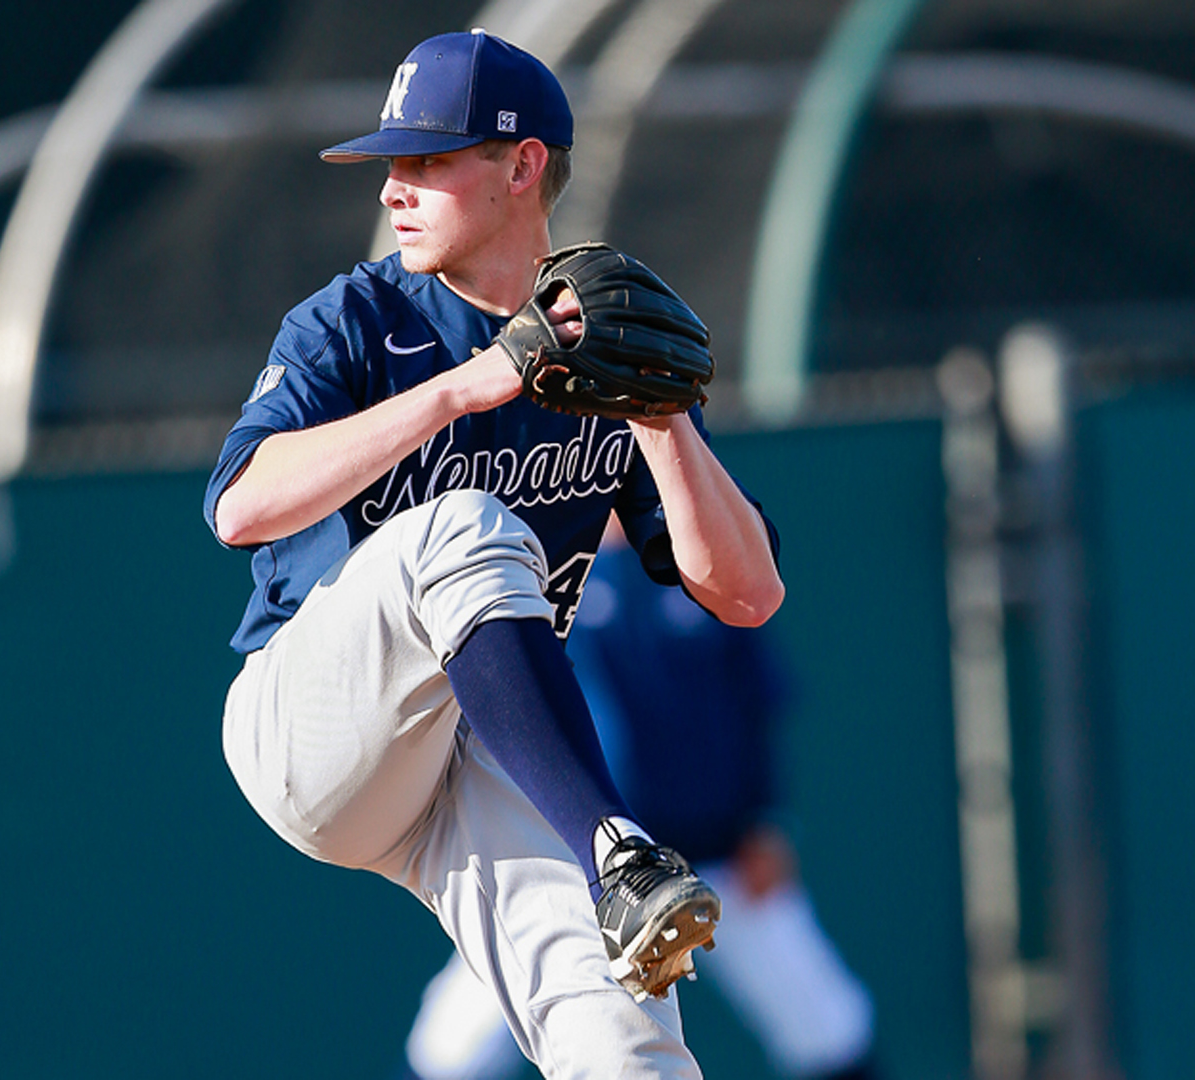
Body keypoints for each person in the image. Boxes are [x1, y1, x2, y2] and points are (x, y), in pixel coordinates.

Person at [203, 29, 783, 1080]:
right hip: (313, 725)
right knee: (460, 529)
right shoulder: (358, 321)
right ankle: (616, 846)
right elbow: (243, 506)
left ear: (521, 166)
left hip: (479, 752)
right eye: (393, 164)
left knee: (630, 1035)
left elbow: (746, 593)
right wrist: (467, 388)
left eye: (427, 159)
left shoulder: (593, 334)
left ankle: (612, 872)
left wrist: (664, 423)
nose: (396, 188)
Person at [397, 525, 881, 1080]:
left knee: (828, 1022)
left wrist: (767, 819)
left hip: (715, 856)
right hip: (587, 870)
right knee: (454, 1043)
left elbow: (756, 700)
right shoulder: (539, 566)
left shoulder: (698, 558)